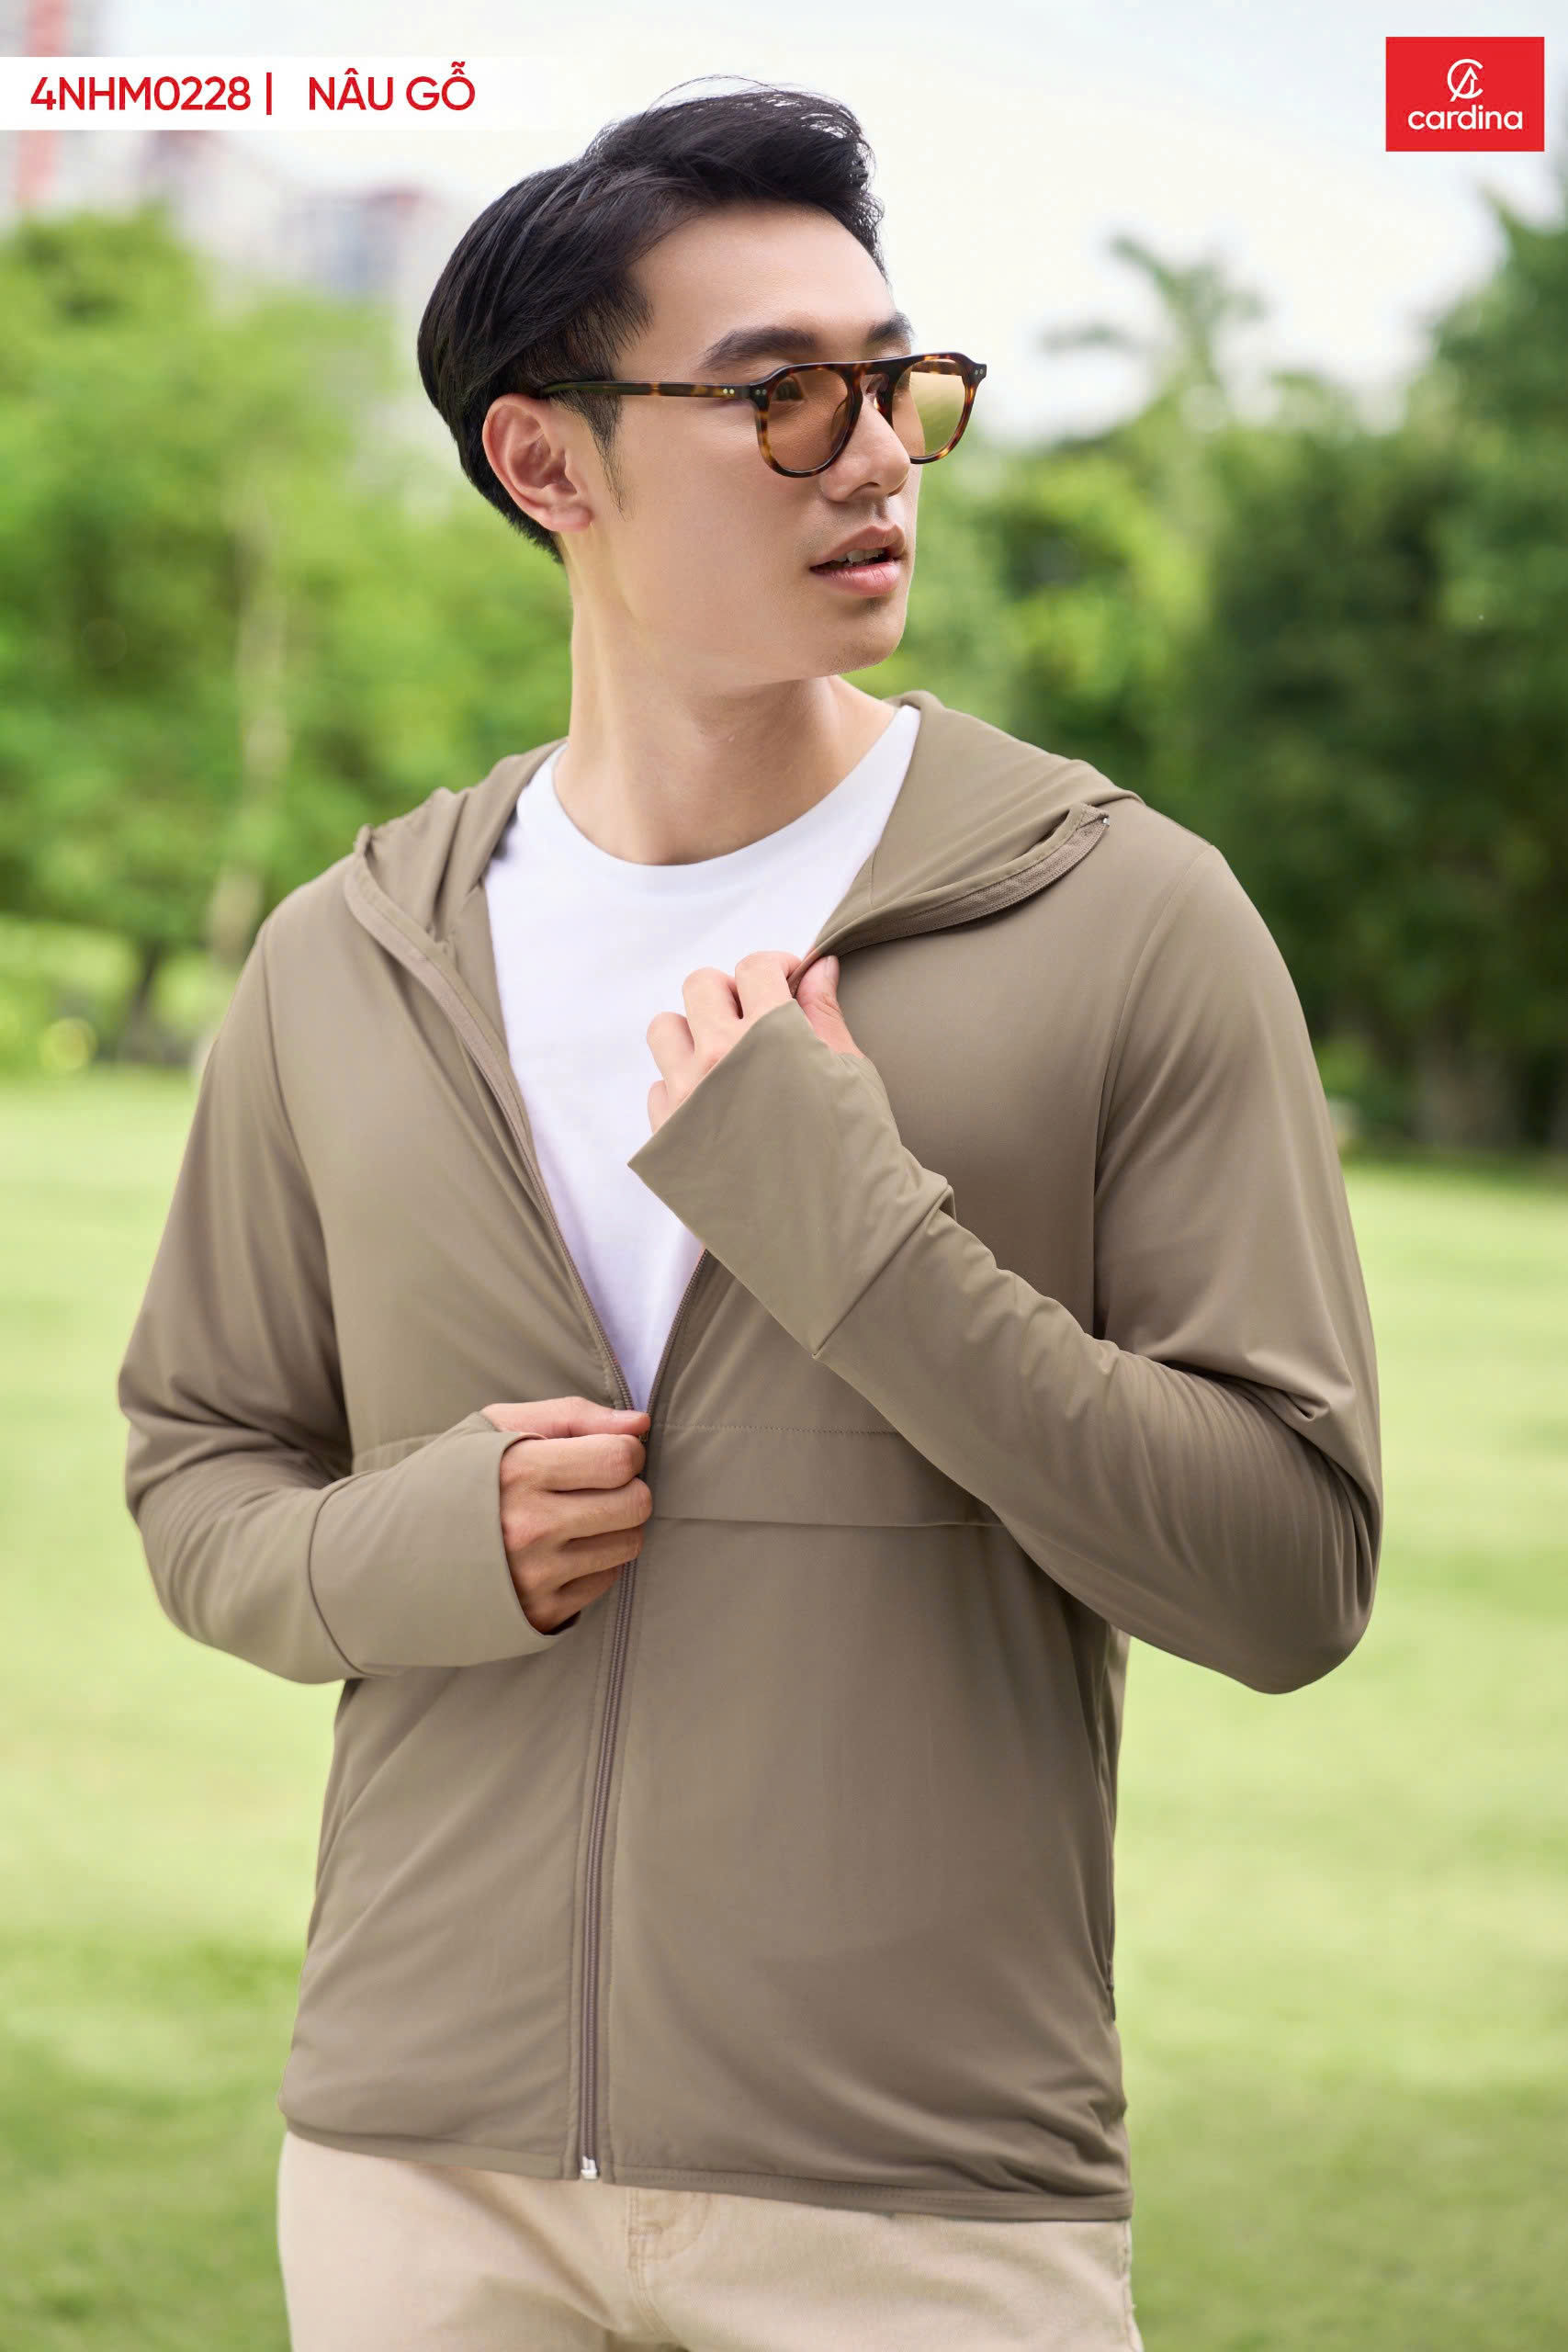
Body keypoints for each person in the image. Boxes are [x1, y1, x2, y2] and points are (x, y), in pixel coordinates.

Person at [117, 80, 1382, 2352]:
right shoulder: (346, 952)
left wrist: (859, 1238)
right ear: (546, 461)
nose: (874, 452)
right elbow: (199, 1472)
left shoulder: (1125, 914)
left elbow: (1287, 1573)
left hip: (916, 2198)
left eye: (895, 382)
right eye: (779, 394)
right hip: (418, 2171)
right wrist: (422, 1543)